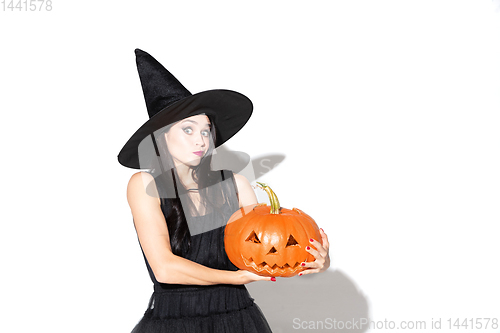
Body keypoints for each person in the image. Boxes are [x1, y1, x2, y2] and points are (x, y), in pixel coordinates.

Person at [117, 49, 330, 333]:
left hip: (237, 319)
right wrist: (234, 278)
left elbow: (266, 252)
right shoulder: (144, 185)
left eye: (206, 131)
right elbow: (165, 269)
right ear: (162, 136)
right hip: (173, 323)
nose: (201, 140)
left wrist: (315, 262)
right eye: (188, 130)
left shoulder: (237, 185)